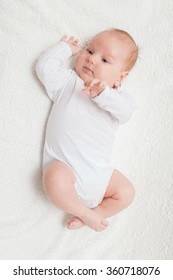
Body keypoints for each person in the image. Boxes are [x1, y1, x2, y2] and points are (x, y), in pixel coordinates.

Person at [36, 29, 138, 232]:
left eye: (105, 61)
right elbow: (44, 68)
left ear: (120, 77)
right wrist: (64, 48)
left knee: (127, 192)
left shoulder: (117, 98)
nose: (92, 60)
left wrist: (104, 95)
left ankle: (95, 215)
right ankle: (84, 213)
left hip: (100, 176)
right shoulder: (68, 82)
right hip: (65, 168)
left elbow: (127, 112)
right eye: (89, 51)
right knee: (52, 177)